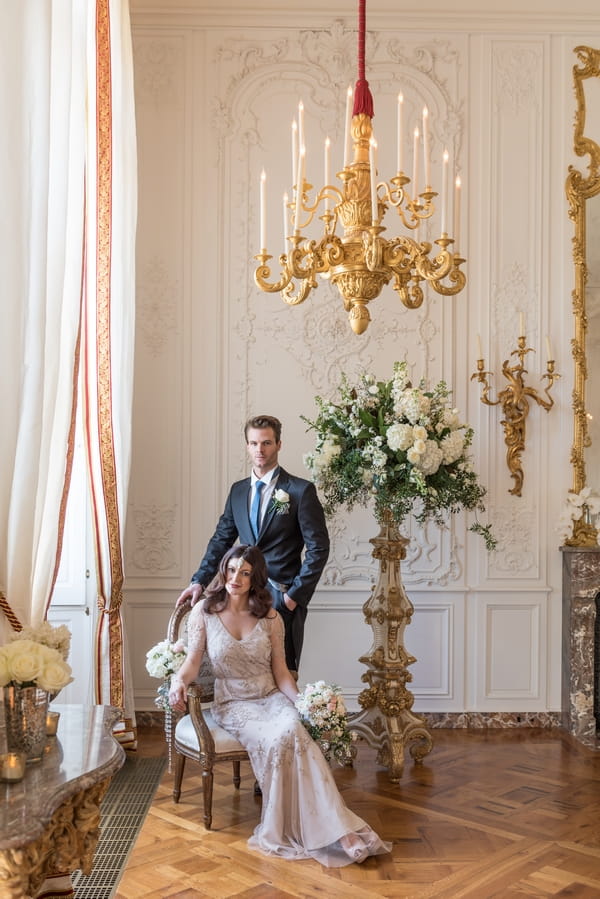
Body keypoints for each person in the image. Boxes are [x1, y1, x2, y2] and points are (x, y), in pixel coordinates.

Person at [169, 544, 392, 867]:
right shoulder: (205, 613)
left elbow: (281, 672)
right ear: (223, 571)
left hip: (270, 697)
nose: (236, 578)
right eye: (231, 570)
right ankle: (321, 830)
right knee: (278, 740)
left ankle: (339, 829)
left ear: (255, 577)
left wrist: (302, 703)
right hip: (234, 703)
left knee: (294, 731)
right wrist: (179, 681)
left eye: (245, 573)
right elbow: (192, 661)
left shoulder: (270, 616)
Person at [175, 414, 329, 674]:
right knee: (245, 669)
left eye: (267, 443)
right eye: (254, 443)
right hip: (240, 596)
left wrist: (294, 596)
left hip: (281, 597)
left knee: (283, 671)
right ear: (247, 445)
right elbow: (221, 540)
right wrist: (198, 581)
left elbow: (319, 548)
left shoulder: (300, 491)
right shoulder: (238, 491)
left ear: (279, 444)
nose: (260, 450)